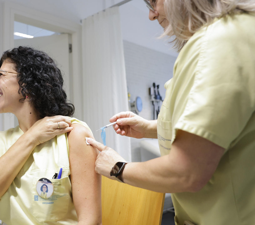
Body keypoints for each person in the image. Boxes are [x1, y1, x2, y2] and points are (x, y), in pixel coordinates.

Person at [87, 0, 255, 224]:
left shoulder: (219, 42)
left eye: (154, 2)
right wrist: (149, 128)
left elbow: (187, 171)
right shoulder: (230, 34)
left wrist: (118, 168)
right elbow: (219, 124)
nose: (151, 15)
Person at [0, 46, 101, 224]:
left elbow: (90, 220)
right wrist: (32, 137)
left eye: (1, 75)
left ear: (27, 84)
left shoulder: (74, 136)